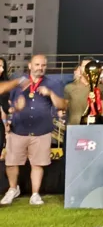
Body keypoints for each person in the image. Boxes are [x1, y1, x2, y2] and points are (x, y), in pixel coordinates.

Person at [0, 55, 68, 205]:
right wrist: (14, 108)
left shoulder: (53, 83)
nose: (40, 68)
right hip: (18, 129)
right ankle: (12, 189)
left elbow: (62, 105)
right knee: (11, 162)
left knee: (37, 163)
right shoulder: (18, 82)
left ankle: (35, 194)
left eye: (43, 65)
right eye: (37, 64)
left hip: (41, 130)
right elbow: (8, 104)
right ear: (30, 65)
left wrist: (50, 94)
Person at [63, 58, 103, 129]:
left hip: (95, 128)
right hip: (74, 128)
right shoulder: (69, 87)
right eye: (85, 66)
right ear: (80, 68)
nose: (87, 68)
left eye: (90, 66)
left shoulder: (101, 88)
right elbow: (64, 108)